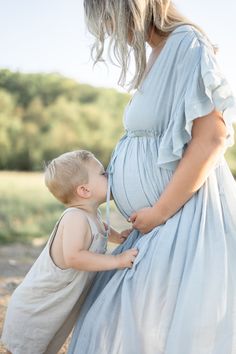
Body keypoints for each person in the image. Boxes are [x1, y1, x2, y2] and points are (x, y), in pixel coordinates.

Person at [68, 1, 236, 354]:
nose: (108, 28)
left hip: (181, 219)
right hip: (157, 225)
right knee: (121, 329)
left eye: (109, 17)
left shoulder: (187, 44)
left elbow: (212, 137)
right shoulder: (157, 53)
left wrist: (159, 211)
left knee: (129, 329)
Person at [1, 150, 138, 354]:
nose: (110, 175)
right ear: (84, 190)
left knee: (45, 347)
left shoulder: (93, 215)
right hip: (37, 307)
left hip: (56, 306)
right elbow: (74, 257)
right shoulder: (75, 217)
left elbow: (100, 231)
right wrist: (117, 260)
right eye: (103, 173)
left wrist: (118, 237)